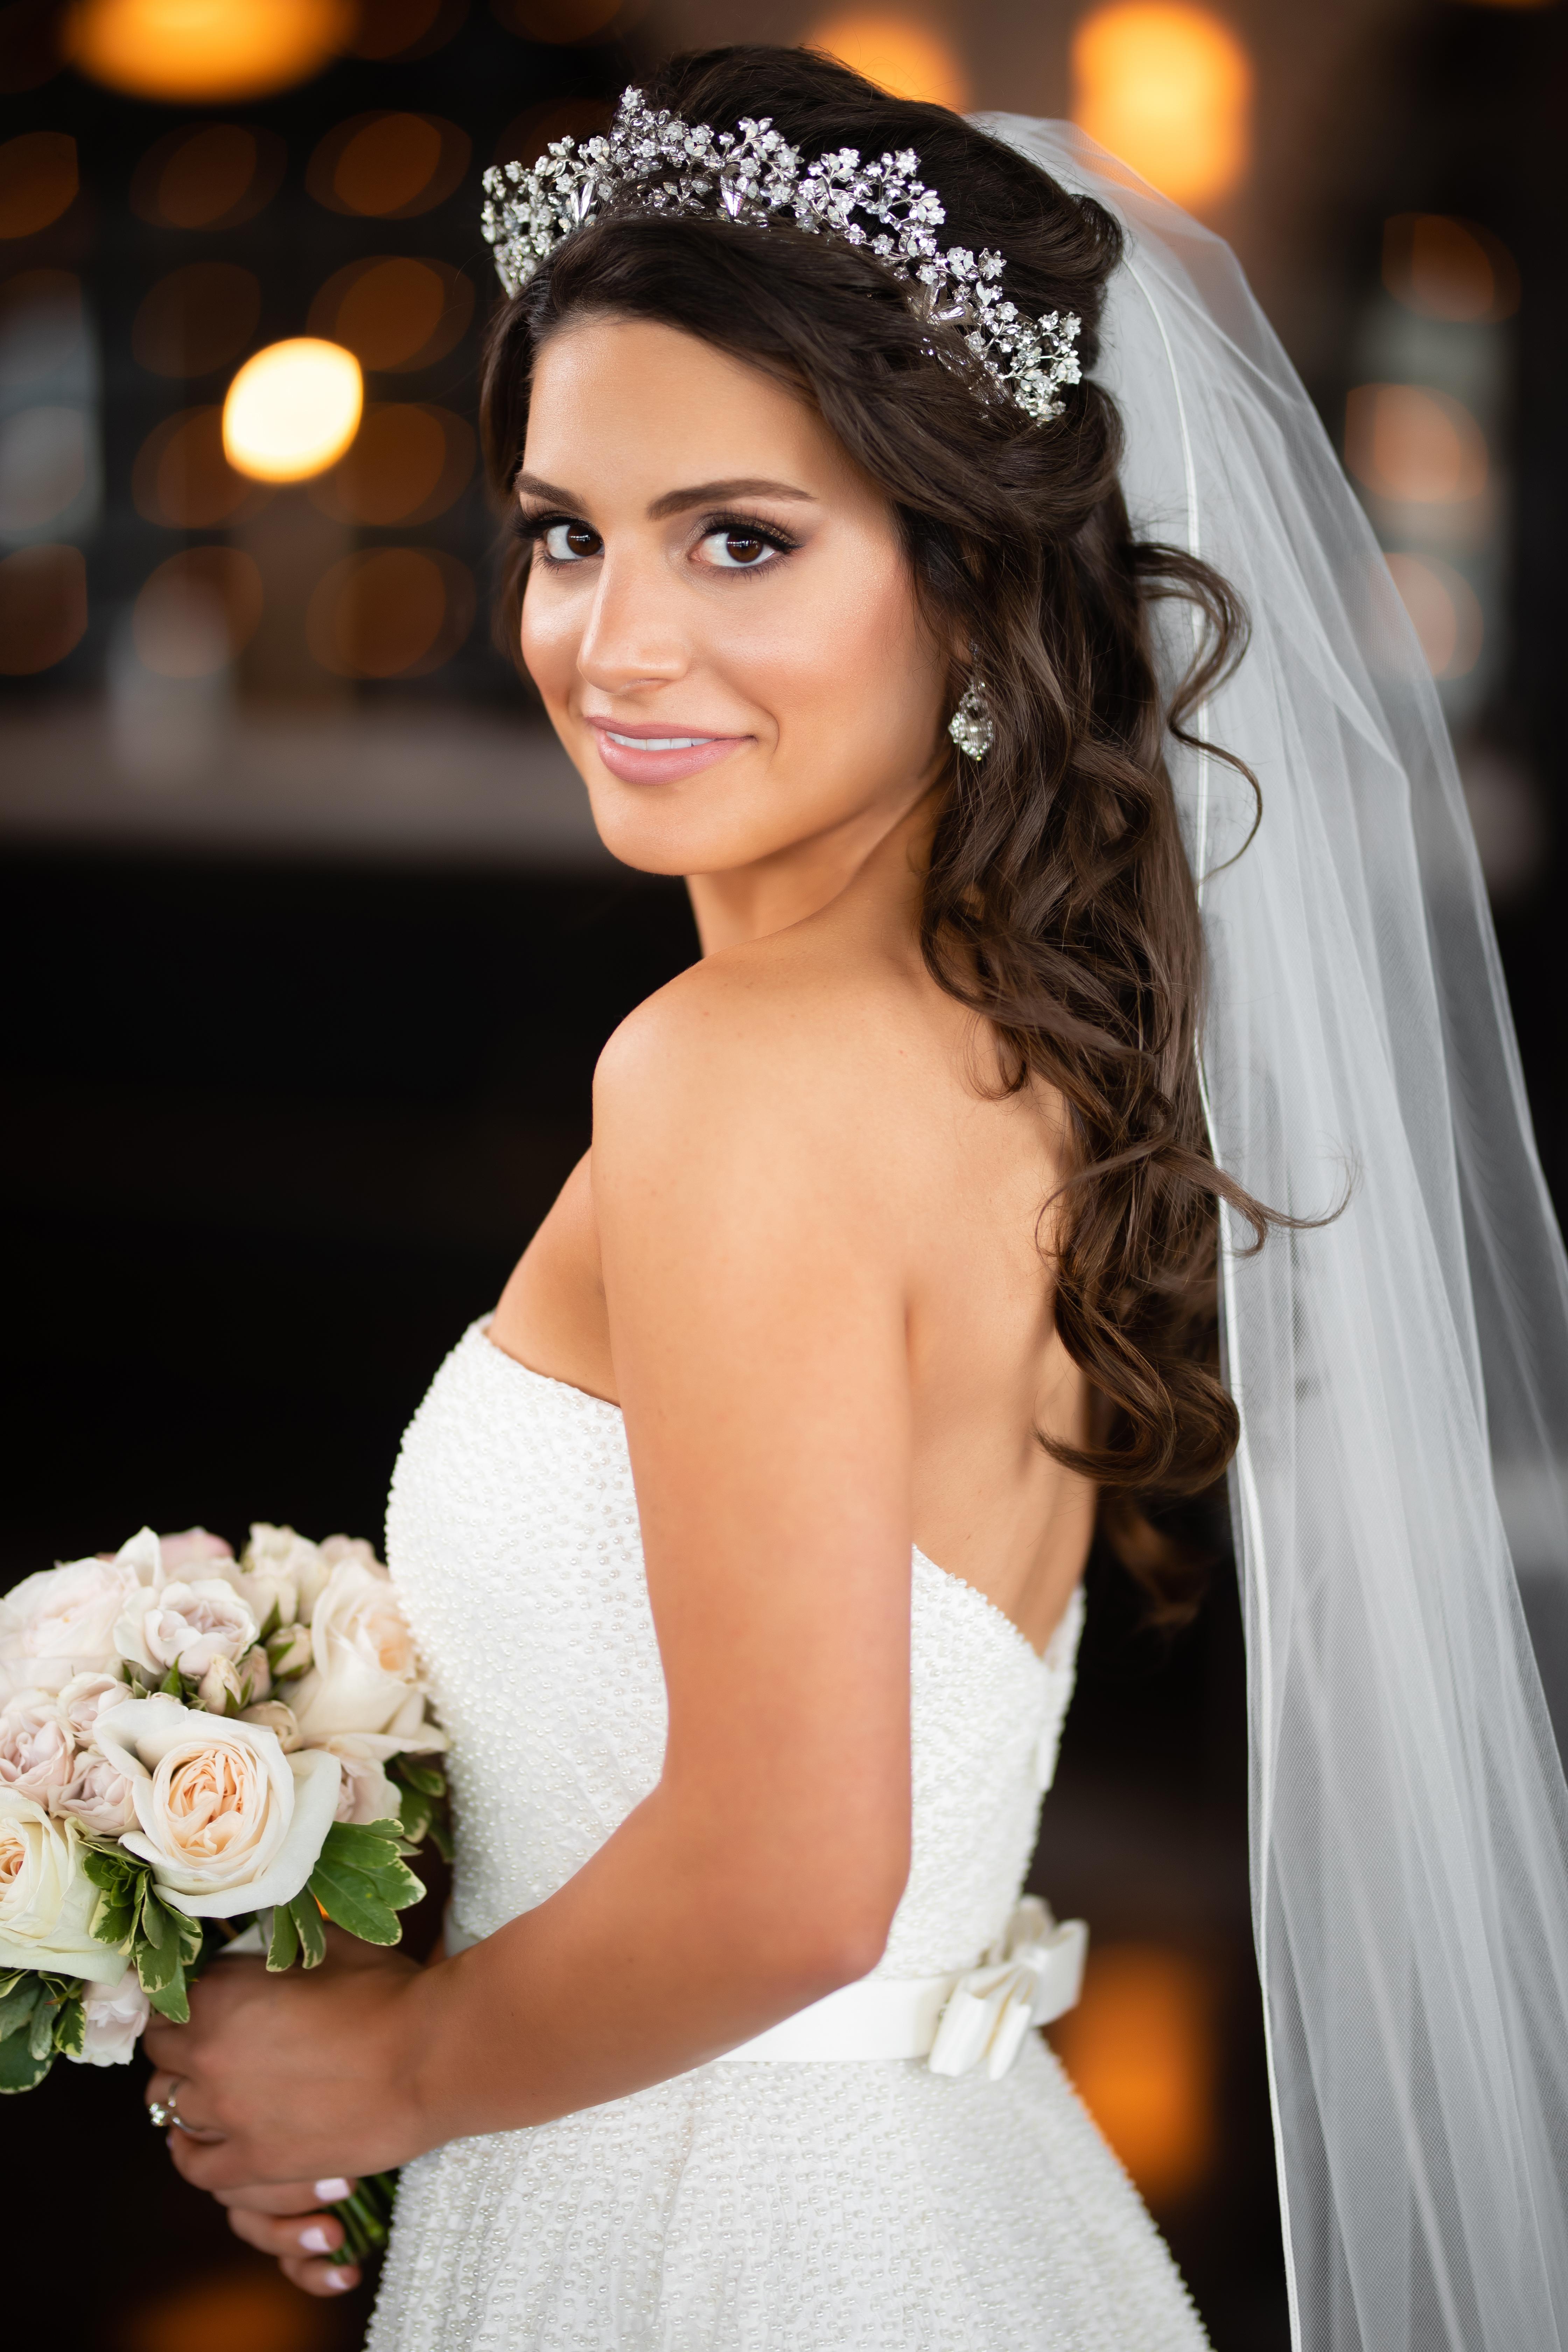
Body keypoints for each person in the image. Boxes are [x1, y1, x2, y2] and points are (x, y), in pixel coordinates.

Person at [142, 47, 1568, 2352]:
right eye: (563, 532)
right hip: (928, 2192)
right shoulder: (1010, 1055)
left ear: (972, 574)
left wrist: (387, 2070)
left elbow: (801, 1876)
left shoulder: (729, 1077)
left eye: (742, 539)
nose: (614, 644)